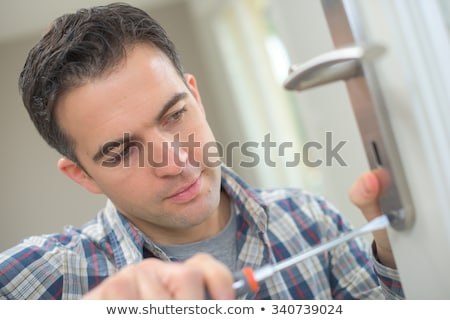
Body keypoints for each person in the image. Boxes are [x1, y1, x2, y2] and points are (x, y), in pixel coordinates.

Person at [0, 2, 403, 300]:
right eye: (122, 152)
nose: (175, 162)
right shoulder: (43, 279)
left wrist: (400, 254)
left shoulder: (310, 222)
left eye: (175, 114)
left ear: (195, 96)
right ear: (82, 174)